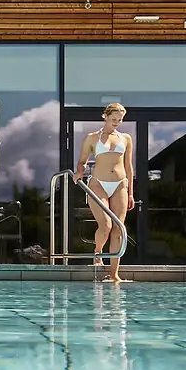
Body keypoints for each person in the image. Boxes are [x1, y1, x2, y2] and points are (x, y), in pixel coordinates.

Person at [75, 102, 134, 283]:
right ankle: (97, 253)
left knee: (118, 230)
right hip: (98, 183)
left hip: (120, 184)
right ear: (105, 116)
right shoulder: (92, 138)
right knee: (106, 225)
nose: (117, 122)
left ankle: (114, 274)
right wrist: (79, 171)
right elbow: (82, 161)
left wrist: (131, 192)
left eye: (120, 119)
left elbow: (128, 166)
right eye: (114, 118)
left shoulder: (125, 138)